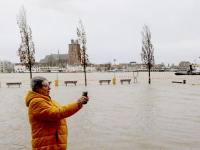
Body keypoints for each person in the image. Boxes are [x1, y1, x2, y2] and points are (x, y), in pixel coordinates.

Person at [25, 76, 89, 150]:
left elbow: (63, 111)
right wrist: (77, 104)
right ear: (37, 88)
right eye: (46, 86)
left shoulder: (49, 101)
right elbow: (57, 114)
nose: (49, 88)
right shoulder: (36, 102)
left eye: (49, 85)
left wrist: (80, 103)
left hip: (54, 145)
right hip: (46, 146)